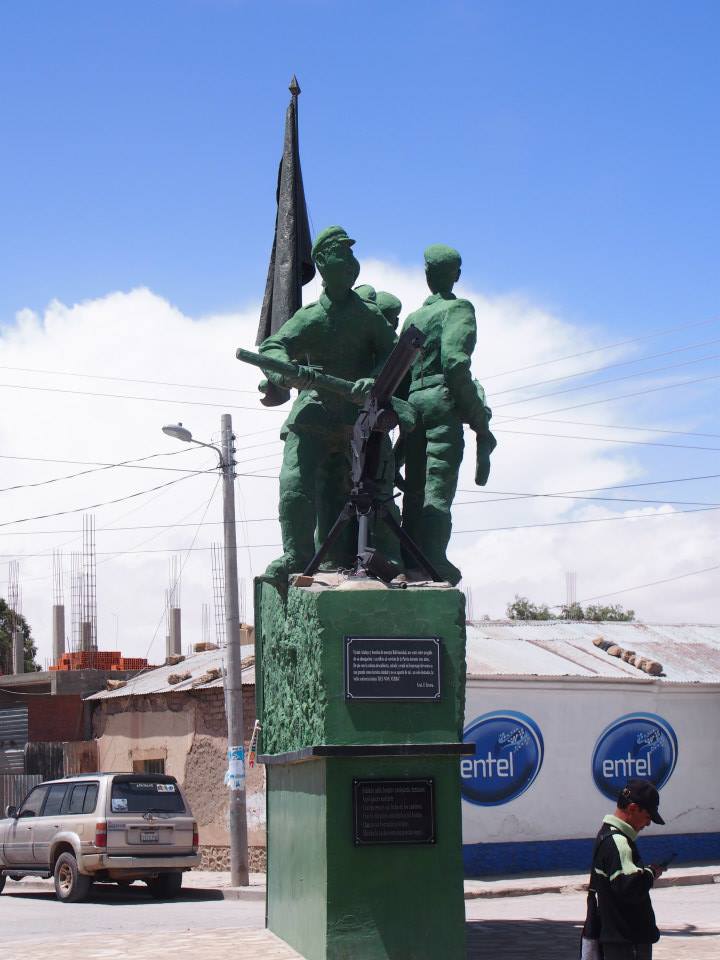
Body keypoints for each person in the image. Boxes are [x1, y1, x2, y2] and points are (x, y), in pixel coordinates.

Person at [258, 225, 399, 578]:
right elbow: (272, 348)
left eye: (353, 254)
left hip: (355, 423)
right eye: (342, 252)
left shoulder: (367, 316)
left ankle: (377, 561)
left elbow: (392, 354)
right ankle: (296, 557)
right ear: (321, 261)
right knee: (294, 486)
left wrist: (375, 378)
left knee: (360, 498)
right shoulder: (311, 317)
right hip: (314, 417)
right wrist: (287, 374)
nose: (351, 262)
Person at [398, 244, 495, 584]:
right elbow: (455, 362)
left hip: (412, 402)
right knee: (437, 486)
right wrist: (477, 418)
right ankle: (434, 561)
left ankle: (410, 558)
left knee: (414, 488)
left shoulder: (413, 318)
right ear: (456, 274)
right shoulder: (459, 309)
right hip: (441, 399)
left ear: (427, 275)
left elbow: (399, 374)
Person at [592, 778, 667, 959]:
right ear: (632, 808)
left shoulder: (605, 835)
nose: (648, 824)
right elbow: (629, 887)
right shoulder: (619, 842)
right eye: (648, 817)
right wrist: (650, 874)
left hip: (617, 941)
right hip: (628, 942)